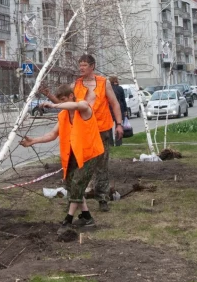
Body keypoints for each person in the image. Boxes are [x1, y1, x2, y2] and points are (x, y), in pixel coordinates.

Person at [42, 54, 123, 212]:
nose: (81, 68)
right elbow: (67, 104)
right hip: (84, 131)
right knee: (79, 165)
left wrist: (119, 124)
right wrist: (50, 98)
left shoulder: (103, 82)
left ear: (92, 66)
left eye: (84, 65)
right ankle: (76, 198)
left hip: (102, 129)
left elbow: (114, 104)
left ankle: (102, 198)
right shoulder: (76, 84)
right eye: (80, 65)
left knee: (101, 165)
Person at [20, 84, 103, 229]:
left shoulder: (83, 107)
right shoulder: (63, 115)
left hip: (90, 153)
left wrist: (53, 104)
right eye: (61, 101)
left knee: (77, 184)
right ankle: (87, 217)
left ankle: (68, 220)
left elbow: (77, 105)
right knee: (71, 184)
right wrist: (33, 141)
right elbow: (52, 134)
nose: (62, 104)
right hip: (74, 154)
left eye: (64, 100)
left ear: (71, 96)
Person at [108, 76, 129, 146]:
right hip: (119, 108)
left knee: (109, 127)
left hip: (109, 108)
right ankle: (118, 142)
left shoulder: (108, 88)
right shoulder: (120, 88)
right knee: (118, 125)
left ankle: (110, 142)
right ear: (116, 80)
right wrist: (125, 110)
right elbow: (123, 100)